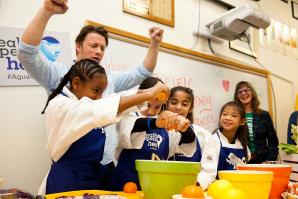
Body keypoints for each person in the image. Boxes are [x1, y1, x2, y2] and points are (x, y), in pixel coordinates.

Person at [17, 0, 164, 183]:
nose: (99, 51)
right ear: (77, 46)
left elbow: (142, 73)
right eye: (94, 46)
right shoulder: (58, 76)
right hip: (73, 170)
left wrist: (155, 44)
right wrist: (47, 11)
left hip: (106, 166)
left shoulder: (109, 79)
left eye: (102, 48)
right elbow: (27, 54)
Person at [42, 59, 169, 194]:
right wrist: (148, 95)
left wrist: (148, 93)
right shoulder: (62, 105)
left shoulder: (91, 106)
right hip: (67, 181)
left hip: (91, 178)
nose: (99, 97)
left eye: (102, 92)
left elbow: (111, 103)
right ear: (76, 83)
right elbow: (100, 108)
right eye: (96, 90)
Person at [111, 79, 196, 191]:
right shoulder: (128, 117)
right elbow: (136, 125)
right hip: (124, 185)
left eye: (157, 107)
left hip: (154, 187)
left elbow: (188, 142)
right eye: (147, 105)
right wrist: (157, 123)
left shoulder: (165, 123)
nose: (151, 111)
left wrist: (185, 128)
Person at [196, 101, 250, 191]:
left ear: (242, 121)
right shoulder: (214, 141)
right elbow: (208, 171)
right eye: (225, 114)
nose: (228, 118)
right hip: (218, 190)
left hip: (238, 190)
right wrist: (199, 186)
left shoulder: (243, 144)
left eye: (234, 116)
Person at [234, 81, 279, 163]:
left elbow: (273, 142)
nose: (243, 93)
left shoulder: (264, 115)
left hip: (263, 161)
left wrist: (270, 160)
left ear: (252, 93)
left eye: (247, 90)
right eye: (240, 92)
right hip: (242, 162)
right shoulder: (235, 116)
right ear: (237, 96)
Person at [167, 86, 210, 162]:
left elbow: (207, 169)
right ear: (166, 103)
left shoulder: (203, 135)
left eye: (184, 104)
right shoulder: (156, 130)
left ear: (190, 108)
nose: (178, 107)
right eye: (174, 103)